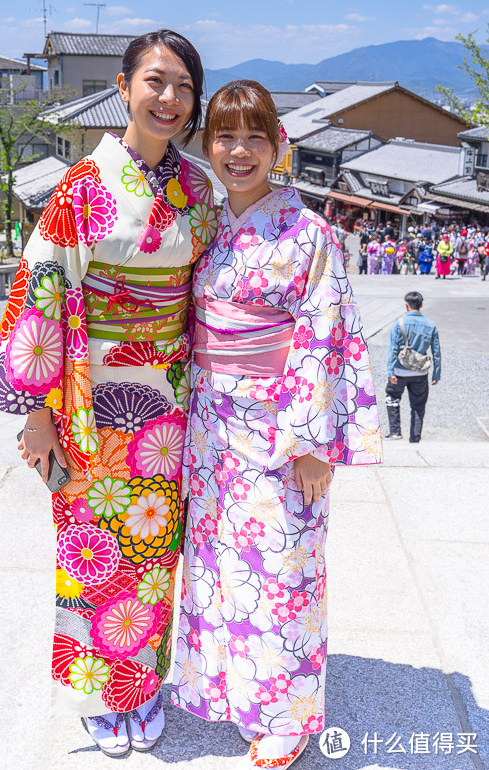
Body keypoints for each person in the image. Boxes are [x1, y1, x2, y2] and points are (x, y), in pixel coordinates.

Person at [0, 30, 217, 757]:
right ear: (123, 87)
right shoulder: (81, 186)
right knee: (92, 546)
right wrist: (38, 415)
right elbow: (42, 292)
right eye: (156, 81)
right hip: (93, 393)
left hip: (170, 400)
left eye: (183, 85)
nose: (170, 98)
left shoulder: (200, 190)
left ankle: (141, 684)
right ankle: (95, 690)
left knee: (153, 548)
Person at [171, 81, 382, 769]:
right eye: (226, 137)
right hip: (209, 431)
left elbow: (326, 334)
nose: (239, 151)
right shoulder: (206, 226)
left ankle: (286, 714)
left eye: (255, 137)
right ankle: (234, 690)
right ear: (208, 146)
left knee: (281, 567)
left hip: (279, 427)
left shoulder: (309, 234)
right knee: (221, 568)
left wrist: (316, 442)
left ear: (278, 147)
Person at [385, 291, 440, 442]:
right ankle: (415, 438)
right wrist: (436, 374)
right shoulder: (431, 325)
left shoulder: (399, 323)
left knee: (392, 397)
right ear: (421, 305)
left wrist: (390, 371)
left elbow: (393, 349)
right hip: (420, 373)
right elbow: (436, 352)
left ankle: (395, 432)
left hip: (399, 370)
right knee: (418, 405)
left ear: (406, 305)